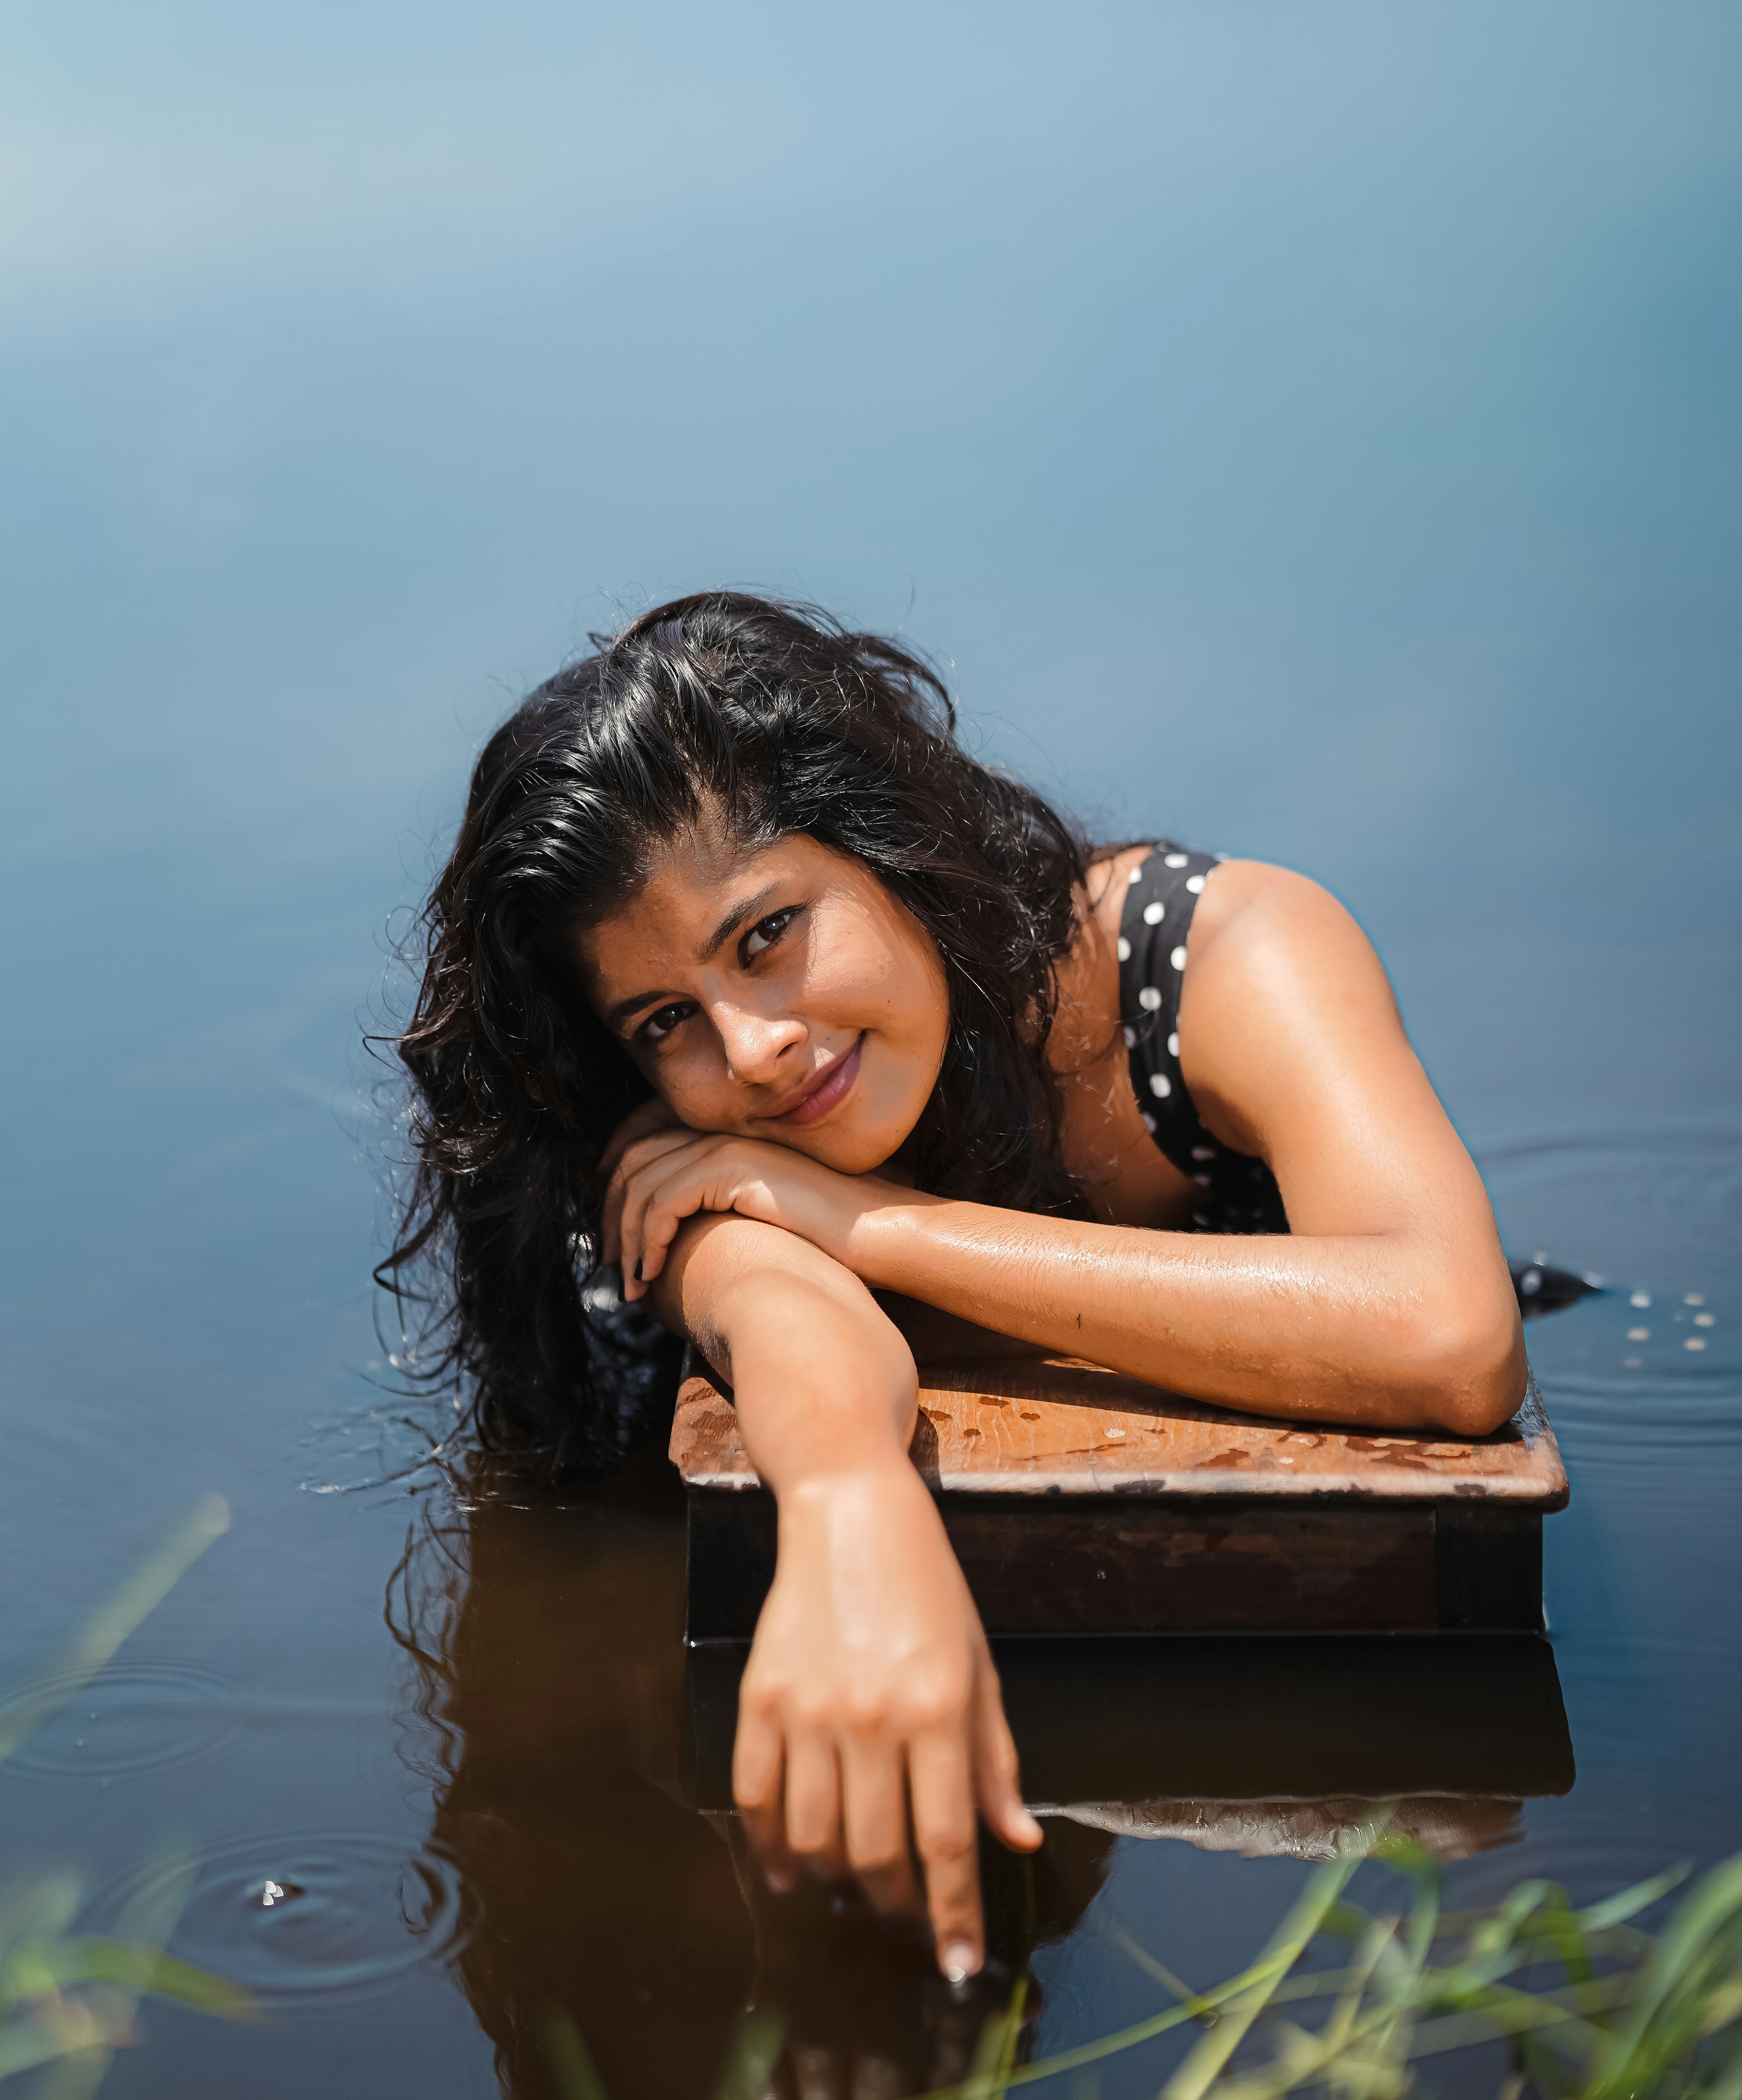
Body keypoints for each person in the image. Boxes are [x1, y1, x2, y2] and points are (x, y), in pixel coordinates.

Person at [386, 591, 1526, 1987]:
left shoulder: (1216, 953)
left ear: (893, 847)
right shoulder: (681, 1146)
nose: (750, 1050)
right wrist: (852, 1508)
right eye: (668, 1017)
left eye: (766, 934)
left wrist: (873, 1225)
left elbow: (1453, 1337)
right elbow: (782, 1317)